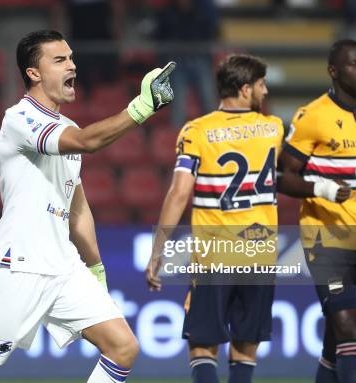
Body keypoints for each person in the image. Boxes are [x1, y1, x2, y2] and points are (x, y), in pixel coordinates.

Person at [0, 29, 175, 383]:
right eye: (60, 60)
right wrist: (141, 107)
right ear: (33, 73)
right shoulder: (19, 119)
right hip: (17, 266)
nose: (72, 65)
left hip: (63, 267)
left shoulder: (68, 126)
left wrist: (95, 270)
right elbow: (88, 142)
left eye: (71, 57)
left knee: (123, 347)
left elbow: (77, 210)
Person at [145, 54, 283, 383]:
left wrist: (158, 249)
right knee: (246, 346)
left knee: (202, 346)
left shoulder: (197, 131)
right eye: (261, 85)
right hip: (261, 254)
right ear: (245, 89)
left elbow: (179, 193)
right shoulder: (273, 128)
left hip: (215, 255)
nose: (265, 92)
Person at [277, 39, 356, 383]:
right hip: (324, 239)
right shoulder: (312, 117)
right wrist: (322, 188)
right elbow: (283, 177)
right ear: (334, 71)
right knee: (350, 328)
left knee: (337, 345)